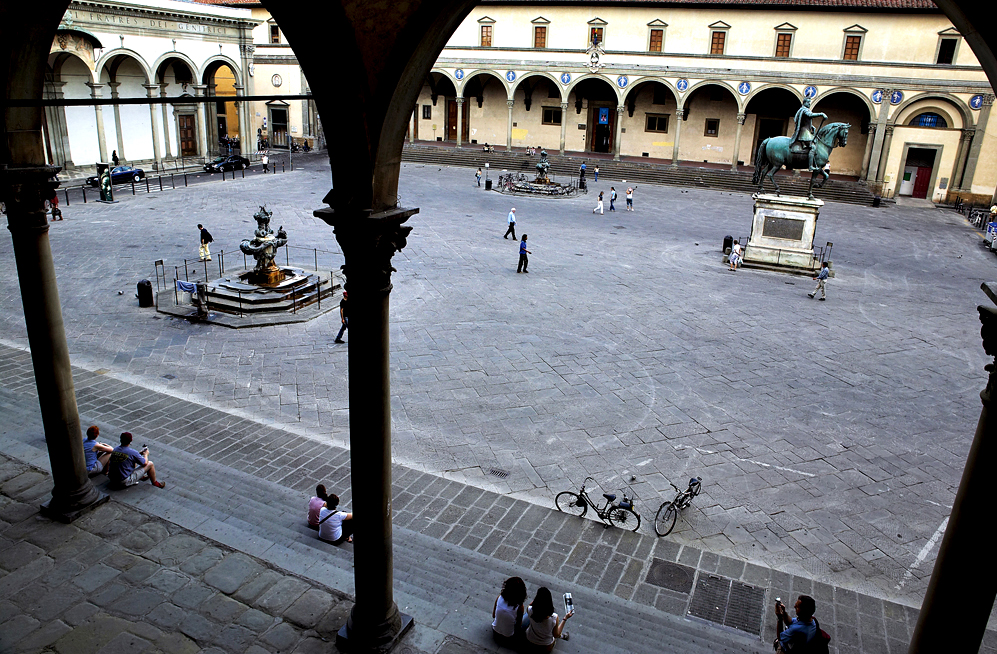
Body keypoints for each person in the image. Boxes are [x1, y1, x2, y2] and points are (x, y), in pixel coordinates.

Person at [522, 587, 572, 653]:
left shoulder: (529, 609)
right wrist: (565, 619)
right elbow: (556, 635)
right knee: (557, 632)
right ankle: (562, 636)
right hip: (545, 646)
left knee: (527, 617)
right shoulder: (553, 618)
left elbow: (531, 605)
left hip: (530, 640)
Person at [492, 576, 528, 647]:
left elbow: (494, 615)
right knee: (528, 616)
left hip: (495, 633)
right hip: (508, 638)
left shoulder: (499, 598)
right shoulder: (519, 607)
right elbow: (518, 625)